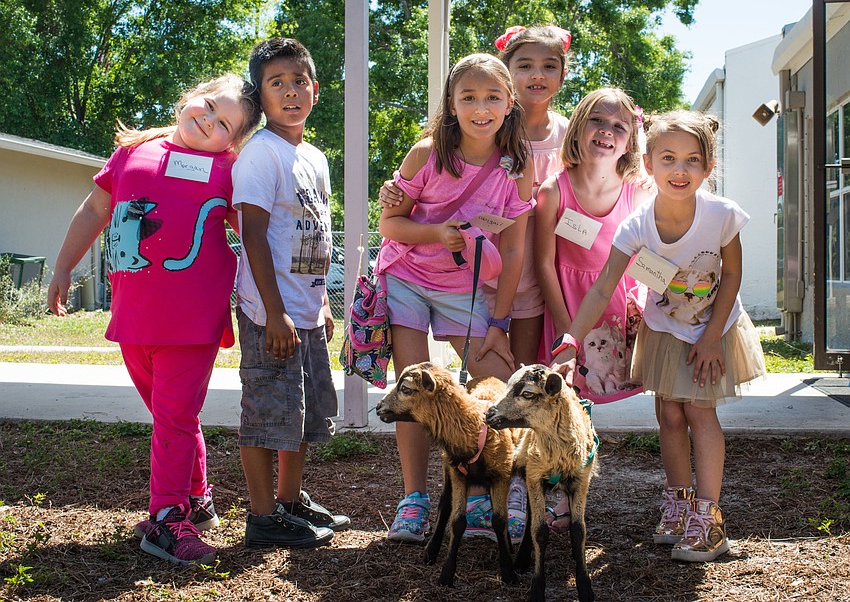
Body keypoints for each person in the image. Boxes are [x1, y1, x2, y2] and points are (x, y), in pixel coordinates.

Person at [47, 74, 262, 565]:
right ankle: (198, 498)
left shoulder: (229, 171)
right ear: (190, 97)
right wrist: (62, 266)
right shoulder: (133, 152)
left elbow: (255, 231)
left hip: (193, 319)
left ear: (235, 141)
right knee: (172, 417)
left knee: (174, 417)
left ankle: (166, 518)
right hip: (134, 316)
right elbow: (93, 210)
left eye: (224, 123)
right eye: (208, 106)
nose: (208, 120)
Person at [552, 109, 766, 562]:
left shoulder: (722, 215)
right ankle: (678, 504)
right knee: (670, 415)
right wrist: (572, 338)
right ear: (648, 164)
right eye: (668, 158)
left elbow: (731, 277)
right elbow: (604, 286)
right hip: (666, 328)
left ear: (708, 168)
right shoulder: (637, 226)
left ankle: (709, 521)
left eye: (692, 161)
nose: (680, 170)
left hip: (714, 328)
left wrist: (709, 338)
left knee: (699, 412)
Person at [376, 53, 533, 543]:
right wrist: (435, 233)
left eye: (492, 97)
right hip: (406, 276)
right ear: (451, 102)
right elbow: (390, 224)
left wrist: (498, 323)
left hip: (464, 289)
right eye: (468, 97)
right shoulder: (426, 154)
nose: (480, 107)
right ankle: (414, 499)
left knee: (495, 382)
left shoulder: (516, 166)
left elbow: (513, 246)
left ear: (510, 103)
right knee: (412, 389)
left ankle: (486, 494)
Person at [232, 37, 350, 551]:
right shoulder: (261, 153)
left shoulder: (315, 158)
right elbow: (253, 235)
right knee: (265, 414)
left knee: (301, 413)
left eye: (299, 81)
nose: (290, 91)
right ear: (261, 97)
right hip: (269, 313)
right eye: (276, 83)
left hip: (304, 308)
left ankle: (290, 501)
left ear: (316, 90)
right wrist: (275, 314)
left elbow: (313, 234)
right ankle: (261, 518)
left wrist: (320, 302)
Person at [536, 87, 652, 532]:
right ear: (579, 128)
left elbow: (647, 258)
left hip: (616, 305)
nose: (606, 132)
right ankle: (563, 498)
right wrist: (568, 330)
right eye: (597, 122)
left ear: (629, 142)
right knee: (565, 405)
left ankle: (677, 494)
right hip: (567, 304)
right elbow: (544, 263)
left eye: (618, 127)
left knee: (596, 398)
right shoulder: (554, 190)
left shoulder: (637, 193)